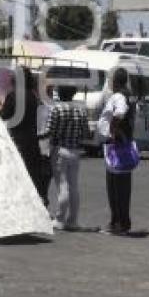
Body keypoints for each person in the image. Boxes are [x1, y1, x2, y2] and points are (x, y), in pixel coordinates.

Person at [39, 85, 92, 232]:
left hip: (59, 150)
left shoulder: (56, 109)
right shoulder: (80, 110)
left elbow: (49, 131)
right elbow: (87, 133)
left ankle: (60, 219)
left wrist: (37, 137)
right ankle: (73, 220)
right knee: (73, 186)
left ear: (60, 94)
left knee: (62, 186)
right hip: (75, 151)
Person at [0, 66, 46, 204]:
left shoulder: (13, 95)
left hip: (17, 140)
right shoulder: (33, 95)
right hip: (32, 140)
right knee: (31, 174)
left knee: (17, 174)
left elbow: (3, 115)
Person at [97, 68, 136, 234]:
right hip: (124, 143)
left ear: (115, 81)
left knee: (114, 185)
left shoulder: (119, 96)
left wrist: (113, 130)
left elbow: (120, 112)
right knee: (124, 185)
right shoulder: (130, 95)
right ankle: (123, 221)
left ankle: (117, 222)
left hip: (116, 144)